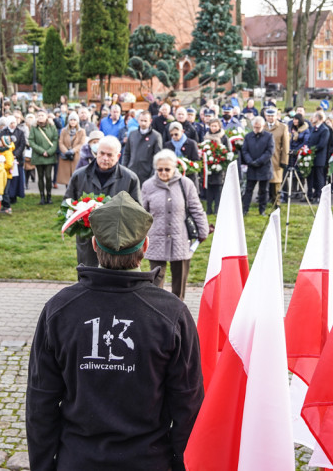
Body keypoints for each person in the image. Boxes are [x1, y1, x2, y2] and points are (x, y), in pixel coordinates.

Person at [26, 192, 203, 471]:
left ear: (94, 244)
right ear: (145, 246)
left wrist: (44, 466)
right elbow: (189, 404)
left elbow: (40, 403)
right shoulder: (171, 314)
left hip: (78, 461)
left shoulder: (59, 310)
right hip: (149, 461)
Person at [141, 150, 210, 299]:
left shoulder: (186, 184)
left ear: (174, 168)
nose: (163, 172)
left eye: (167, 169)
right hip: (156, 238)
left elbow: (196, 209)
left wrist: (203, 231)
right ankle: (157, 308)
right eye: (160, 169)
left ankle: (178, 308)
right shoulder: (148, 185)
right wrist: (139, 236)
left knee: (180, 278)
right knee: (156, 278)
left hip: (180, 239)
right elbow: (143, 214)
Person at [63, 136, 142, 267]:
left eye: (110, 155)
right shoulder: (80, 175)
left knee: (112, 281)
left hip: (117, 244)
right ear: (96, 153)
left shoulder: (130, 178)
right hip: (88, 241)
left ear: (118, 156)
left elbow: (137, 212)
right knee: (88, 279)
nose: (105, 158)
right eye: (102, 153)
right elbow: (67, 204)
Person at [241, 116, 275, 215]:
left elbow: (270, 151)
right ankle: (245, 209)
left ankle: (262, 210)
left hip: (264, 167)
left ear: (263, 126)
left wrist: (259, 161)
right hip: (251, 166)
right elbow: (245, 150)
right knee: (249, 189)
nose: (256, 129)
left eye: (258, 127)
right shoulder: (248, 136)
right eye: (255, 127)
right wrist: (250, 161)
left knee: (263, 190)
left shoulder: (269, 136)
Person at [122, 110, 162, 185]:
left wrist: (153, 175)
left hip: (147, 174)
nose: (143, 123)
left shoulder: (156, 136)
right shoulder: (132, 134)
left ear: (150, 121)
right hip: (131, 172)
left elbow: (158, 158)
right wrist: (124, 169)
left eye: (145, 121)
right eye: (141, 120)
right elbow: (126, 153)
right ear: (138, 120)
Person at [29, 110, 58, 204]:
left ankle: (49, 196)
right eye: (39, 115)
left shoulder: (52, 127)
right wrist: (42, 151)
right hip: (38, 156)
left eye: (42, 115)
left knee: (48, 176)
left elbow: (55, 139)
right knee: (40, 177)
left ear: (46, 117)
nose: (40, 117)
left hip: (49, 156)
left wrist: (49, 152)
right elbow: (31, 141)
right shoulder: (34, 128)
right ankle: (42, 197)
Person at [264, 107, 290, 206]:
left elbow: (285, 146)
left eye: (272, 116)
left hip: (276, 158)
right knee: (266, 181)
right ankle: (266, 200)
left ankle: (277, 202)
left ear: (276, 116)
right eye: (268, 116)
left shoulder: (282, 127)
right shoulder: (263, 126)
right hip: (265, 158)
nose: (270, 118)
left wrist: (284, 160)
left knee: (276, 181)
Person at [201, 117, 227, 214]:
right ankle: (208, 208)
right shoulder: (206, 136)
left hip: (219, 167)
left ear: (219, 126)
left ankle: (217, 208)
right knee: (209, 189)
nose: (214, 128)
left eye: (215, 126)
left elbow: (228, 150)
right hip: (208, 167)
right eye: (212, 126)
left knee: (218, 189)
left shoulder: (223, 137)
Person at [305, 111, 330, 203]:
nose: (312, 118)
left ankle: (320, 195)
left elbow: (322, 144)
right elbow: (309, 140)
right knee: (310, 177)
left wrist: (311, 150)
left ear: (318, 118)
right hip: (311, 157)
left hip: (319, 157)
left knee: (319, 177)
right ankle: (310, 194)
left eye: (314, 116)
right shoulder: (313, 128)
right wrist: (306, 148)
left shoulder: (324, 130)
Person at [56, 112, 86, 187]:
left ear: (77, 121)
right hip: (65, 157)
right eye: (71, 120)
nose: (72, 121)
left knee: (76, 178)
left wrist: (72, 151)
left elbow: (81, 143)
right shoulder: (64, 131)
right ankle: (67, 196)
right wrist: (66, 152)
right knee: (67, 179)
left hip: (76, 156)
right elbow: (61, 142)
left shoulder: (82, 131)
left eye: (74, 120)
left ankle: (75, 197)